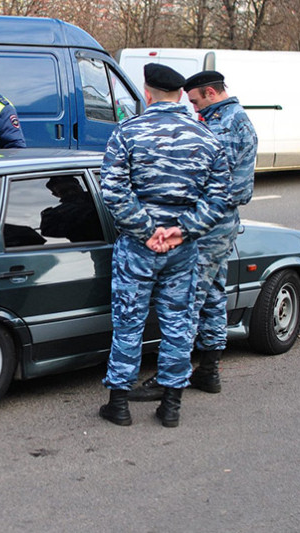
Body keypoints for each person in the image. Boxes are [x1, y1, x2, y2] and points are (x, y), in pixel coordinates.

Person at [99, 63, 231, 428]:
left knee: (129, 322)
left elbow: (112, 191)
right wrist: (181, 231)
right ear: (179, 95)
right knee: (179, 323)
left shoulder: (128, 132)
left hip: (138, 249)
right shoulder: (207, 138)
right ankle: (171, 405)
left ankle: (120, 405)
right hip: (182, 250)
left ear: (147, 93)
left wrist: (145, 231)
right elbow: (220, 198)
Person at [130, 70, 258, 402]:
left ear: (212, 93)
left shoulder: (225, 125)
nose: (193, 106)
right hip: (222, 221)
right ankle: (209, 369)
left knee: (186, 301)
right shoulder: (230, 118)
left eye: (196, 100)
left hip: (209, 221)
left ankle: (171, 377)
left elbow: (209, 181)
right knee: (213, 294)